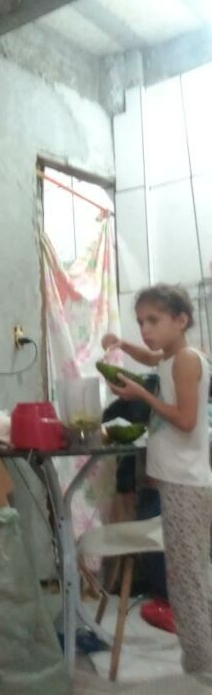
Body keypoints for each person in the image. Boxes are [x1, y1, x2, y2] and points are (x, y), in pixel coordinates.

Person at [102, 283, 212, 673]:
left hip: (186, 484)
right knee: (187, 576)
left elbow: (186, 420)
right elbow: (150, 356)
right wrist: (122, 345)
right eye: (140, 322)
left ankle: (202, 666)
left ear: (181, 320)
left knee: (187, 581)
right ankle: (199, 659)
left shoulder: (185, 361)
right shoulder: (169, 356)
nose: (145, 329)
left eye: (154, 320)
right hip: (179, 481)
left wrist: (142, 396)